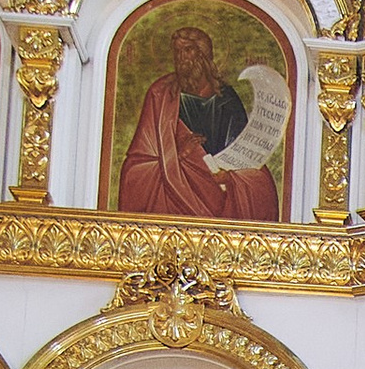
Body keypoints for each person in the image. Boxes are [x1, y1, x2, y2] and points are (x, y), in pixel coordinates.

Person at [114, 24, 284, 221]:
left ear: (203, 54)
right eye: (177, 51)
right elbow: (138, 164)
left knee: (262, 184)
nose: (181, 57)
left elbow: (244, 155)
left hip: (219, 190)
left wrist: (229, 178)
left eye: (188, 50)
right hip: (174, 193)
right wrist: (177, 156)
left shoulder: (227, 99)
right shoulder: (161, 95)